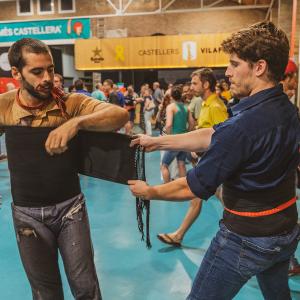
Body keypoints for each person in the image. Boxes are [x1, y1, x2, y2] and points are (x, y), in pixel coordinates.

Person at [128, 21, 300, 299]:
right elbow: (216, 134)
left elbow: (191, 187)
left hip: (245, 240)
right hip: (285, 231)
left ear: (259, 67)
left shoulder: (242, 127)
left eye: (234, 64)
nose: (227, 72)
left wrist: (150, 192)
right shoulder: (286, 109)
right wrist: (159, 141)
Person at [0, 38, 128, 300]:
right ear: (16, 73)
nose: (47, 78)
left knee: (86, 288)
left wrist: (77, 123)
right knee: (45, 292)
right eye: (37, 72)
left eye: (50, 69)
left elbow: (120, 116)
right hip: (26, 215)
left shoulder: (69, 103)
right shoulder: (5, 106)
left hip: (71, 209)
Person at [157, 69, 228, 246]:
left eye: (195, 83)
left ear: (206, 85)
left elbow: (226, 139)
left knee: (231, 207)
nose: (191, 87)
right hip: (207, 164)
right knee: (198, 199)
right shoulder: (204, 105)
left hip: (216, 167)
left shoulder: (216, 107)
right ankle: (178, 235)